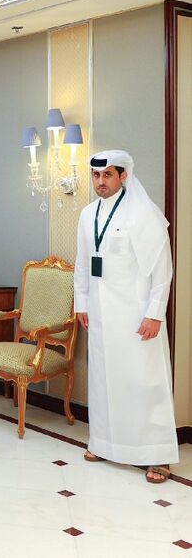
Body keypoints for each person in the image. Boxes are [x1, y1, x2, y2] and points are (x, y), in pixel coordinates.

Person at [74, 150, 178, 484]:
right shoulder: (88, 214)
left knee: (144, 382)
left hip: (136, 314)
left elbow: (162, 269)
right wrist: (82, 303)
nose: (100, 182)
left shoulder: (144, 214)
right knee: (105, 380)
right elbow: (82, 263)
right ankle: (105, 443)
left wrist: (154, 313)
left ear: (123, 176)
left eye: (107, 175)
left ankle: (157, 455)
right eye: (95, 175)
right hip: (102, 315)